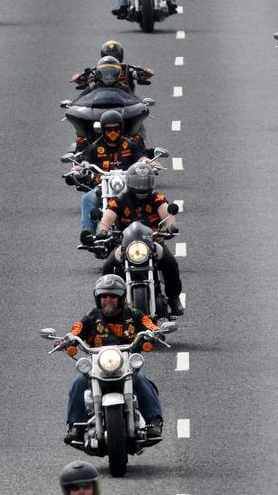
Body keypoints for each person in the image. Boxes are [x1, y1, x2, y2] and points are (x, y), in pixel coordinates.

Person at [63, 274, 164, 444]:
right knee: (79, 381)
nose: (107, 300)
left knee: (141, 379)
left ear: (121, 298)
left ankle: (154, 421)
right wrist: (67, 340)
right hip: (98, 365)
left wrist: (155, 333)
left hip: (127, 364)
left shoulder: (135, 315)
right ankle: (76, 426)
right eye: (103, 296)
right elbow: (75, 331)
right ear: (98, 299)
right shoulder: (91, 317)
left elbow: (150, 326)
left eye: (112, 296)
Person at [96, 163, 183, 316]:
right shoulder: (119, 199)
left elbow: (167, 215)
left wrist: (170, 226)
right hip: (125, 244)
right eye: (138, 183)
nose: (142, 187)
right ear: (129, 182)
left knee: (170, 263)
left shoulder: (157, 198)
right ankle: (104, 306)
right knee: (108, 267)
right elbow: (108, 217)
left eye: (145, 183)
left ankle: (174, 298)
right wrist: (103, 230)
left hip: (154, 243)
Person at [76, 111, 150, 239]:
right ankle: (88, 233)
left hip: (129, 186)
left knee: (147, 196)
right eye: (109, 129)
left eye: (116, 129)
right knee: (87, 198)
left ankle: (152, 229)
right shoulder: (94, 147)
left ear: (121, 128)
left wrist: (147, 162)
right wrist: (80, 168)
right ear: (103, 130)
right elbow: (85, 161)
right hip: (102, 187)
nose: (113, 133)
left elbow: (141, 157)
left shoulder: (130, 145)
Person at [72, 40, 153, 93]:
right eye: (108, 55)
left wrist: (144, 73)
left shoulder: (129, 68)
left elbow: (148, 73)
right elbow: (77, 80)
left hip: (127, 102)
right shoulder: (97, 70)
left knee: (141, 110)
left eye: (115, 55)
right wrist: (80, 77)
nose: (111, 58)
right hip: (100, 100)